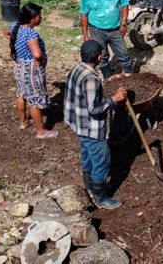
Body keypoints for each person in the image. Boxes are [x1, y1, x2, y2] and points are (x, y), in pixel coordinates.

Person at [64, 40, 128, 209]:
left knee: (87, 155)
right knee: (102, 161)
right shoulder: (91, 79)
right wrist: (115, 99)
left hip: (78, 123)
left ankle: (89, 187)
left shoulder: (76, 69)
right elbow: (94, 108)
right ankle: (100, 198)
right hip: (91, 128)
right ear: (99, 57)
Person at [4, 3, 58, 139]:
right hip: (31, 70)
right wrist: (39, 61)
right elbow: (37, 54)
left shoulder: (15, 25)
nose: (41, 18)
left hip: (19, 66)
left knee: (21, 94)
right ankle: (41, 131)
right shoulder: (31, 33)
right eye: (39, 16)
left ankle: (23, 122)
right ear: (32, 18)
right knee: (35, 100)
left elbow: (6, 32)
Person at [80, 0, 134, 80]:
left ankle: (129, 77)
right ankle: (107, 78)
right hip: (97, 31)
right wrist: (85, 35)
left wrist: (123, 23)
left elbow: (124, 5)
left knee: (124, 55)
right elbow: (83, 15)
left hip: (115, 30)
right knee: (102, 57)